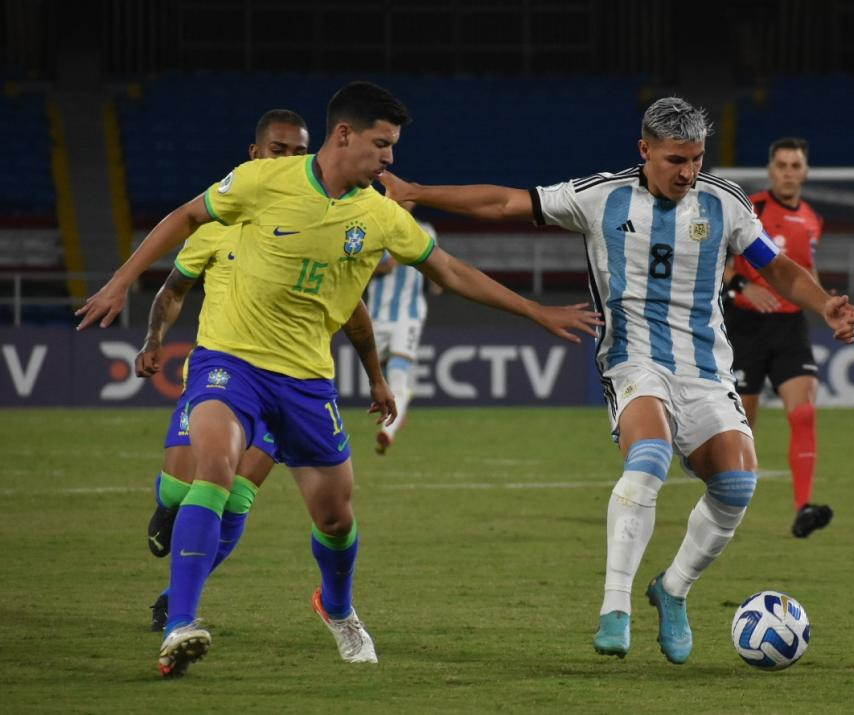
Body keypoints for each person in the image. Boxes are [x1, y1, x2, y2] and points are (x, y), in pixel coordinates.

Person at [76, 80, 600, 678]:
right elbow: (187, 216)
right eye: (383, 144)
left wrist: (537, 312)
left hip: (305, 382)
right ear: (344, 135)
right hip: (230, 361)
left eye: (393, 147)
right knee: (215, 473)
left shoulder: (377, 216)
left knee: (336, 518)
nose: (390, 159)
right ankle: (180, 625)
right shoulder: (262, 181)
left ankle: (337, 606)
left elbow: (449, 272)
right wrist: (122, 281)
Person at [382, 96, 854, 665]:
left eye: (697, 159)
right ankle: (615, 605)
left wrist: (823, 303)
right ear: (645, 150)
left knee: (737, 486)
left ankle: (673, 589)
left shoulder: (724, 202)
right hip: (633, 361)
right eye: (676, 159)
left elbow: (775, 265)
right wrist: (415, 193)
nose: (688, 172)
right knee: (650, 454)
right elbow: (506, 201)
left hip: (706, 368)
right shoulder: (600, 197)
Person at [135, 109, 387, 632]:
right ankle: (166, 510)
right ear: (255, 155)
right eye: (279, 150)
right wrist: (153, 339)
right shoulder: (217, 221)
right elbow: (173, 289)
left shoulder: (321, 218)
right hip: (221, 376)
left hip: (289, 382)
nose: (291, 160)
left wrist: (376, 377)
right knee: (184, 491)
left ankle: (177, 603)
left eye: (300, 151)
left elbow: (353, 312)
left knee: (235, 495)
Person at [722, 137, 831, 538]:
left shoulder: (812, 219)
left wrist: (827, 308)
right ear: (771, 170)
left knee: (804, 412)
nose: (788, 172)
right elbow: (712, 261)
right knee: (740, 428)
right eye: (781, 165)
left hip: (789, 328)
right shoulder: (748, 208)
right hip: (744, 327)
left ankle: (804, 508)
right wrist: (741, 289)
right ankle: (724, 510)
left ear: (804, 171)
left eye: (795, 165)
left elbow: (805, 272)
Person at [366, 201, 435, 454]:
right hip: (376, 316)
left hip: (409, 315)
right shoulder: (376, 229)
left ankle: (388, 431)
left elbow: (432, 262)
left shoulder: (425, 230)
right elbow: (370, 266)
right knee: (380, 380)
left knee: (398, 373)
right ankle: (400, 406)